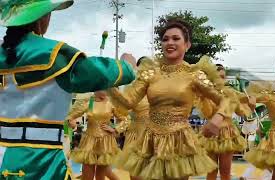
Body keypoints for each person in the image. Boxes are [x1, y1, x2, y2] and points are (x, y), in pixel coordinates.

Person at [0, 1, 135, 179]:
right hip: (41, 159)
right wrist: (128, 67)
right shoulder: (53, 53)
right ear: (42, 18)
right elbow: (96, 72)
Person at [107, 19, 237, 180]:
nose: (170, 42)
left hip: (179, 141)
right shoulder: (150, 73)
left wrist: (217, 119)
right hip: (149, 141)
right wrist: (107, 82)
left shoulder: (194, 74)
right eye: (165, 39)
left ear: (187, 44)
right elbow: (128, 102)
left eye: (176, 38)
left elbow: (227, 99)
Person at [199, 64, 253, 180]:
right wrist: (204, 98)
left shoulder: (231, 93)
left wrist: (250, 106)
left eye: (223, 77)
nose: (221, 80)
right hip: (211, 134)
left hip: (228, 134)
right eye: (218, 77)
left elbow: (240, 112)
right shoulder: (208, 94)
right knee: (211, 170)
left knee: (225, 170)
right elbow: (208, 113)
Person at [67, 91, 129, 180]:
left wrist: (115, 129)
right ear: (96, 89)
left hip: (106, 143)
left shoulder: (111, 103)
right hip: (89, 142)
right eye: (102, 89)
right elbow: (70, 116)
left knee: (100, 176)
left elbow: (126, 119)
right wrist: (75, 126)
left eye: (106, 89)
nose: (105, 91)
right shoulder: (89, 102)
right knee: (87, 176)